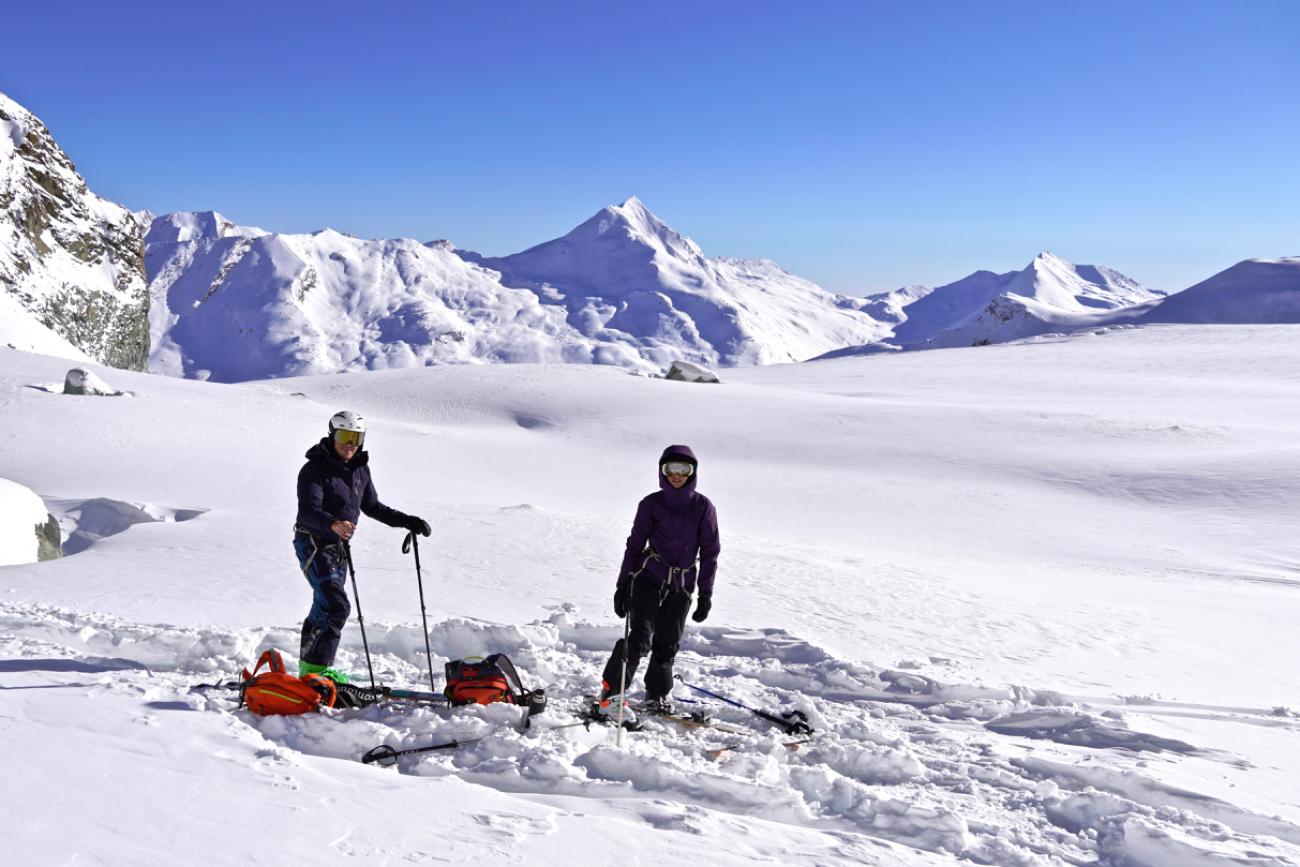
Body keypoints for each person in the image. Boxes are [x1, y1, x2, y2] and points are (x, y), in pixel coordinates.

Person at [293, 410, 430, 683]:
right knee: (336, 606)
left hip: (337, 547)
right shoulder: (314, 470)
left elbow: (372, 507)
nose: (349, 444)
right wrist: (332, 524)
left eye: (356, 438)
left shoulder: (360, 470)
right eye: (344, 436)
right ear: (332, 435)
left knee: (324, 606)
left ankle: (309, 670)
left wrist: (408, 522)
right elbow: (307, 512)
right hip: (312, 541)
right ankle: (317, 672)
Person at [596, 445, 720, 720]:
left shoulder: (703, 507)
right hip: (648, 578)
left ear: (693, 472)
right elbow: (635, 544)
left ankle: (658, 694)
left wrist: (705, 593)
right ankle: (611, 693)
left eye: (683, 469)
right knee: (639, 639)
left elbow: (710, 552)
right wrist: (622, 584)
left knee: (667, 642)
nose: (676, 475)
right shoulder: (651, 504)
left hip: (682, 585)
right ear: (662, 471)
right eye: (670, 469)